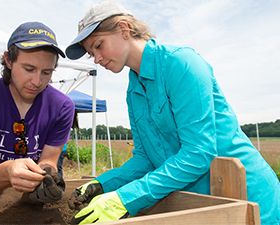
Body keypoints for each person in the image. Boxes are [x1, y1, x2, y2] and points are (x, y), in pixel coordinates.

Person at [65, 1, 280, 224]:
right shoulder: (134, 91)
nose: (97, 59)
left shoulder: (181, 63)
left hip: (248, 200)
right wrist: (103, 184)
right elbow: (145, 158)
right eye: (92, 54)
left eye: (98, 45)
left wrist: (124, 198)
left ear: (124, 29)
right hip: (200, 204)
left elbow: (198, 153)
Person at [0, 21, 75, 203]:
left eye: (46, 72)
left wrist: (49, 176)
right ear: (8, 60)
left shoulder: (62, 107)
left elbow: (49, 160)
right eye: (29, 69)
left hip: (30, 201)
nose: (37, 81)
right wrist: (7, 171)